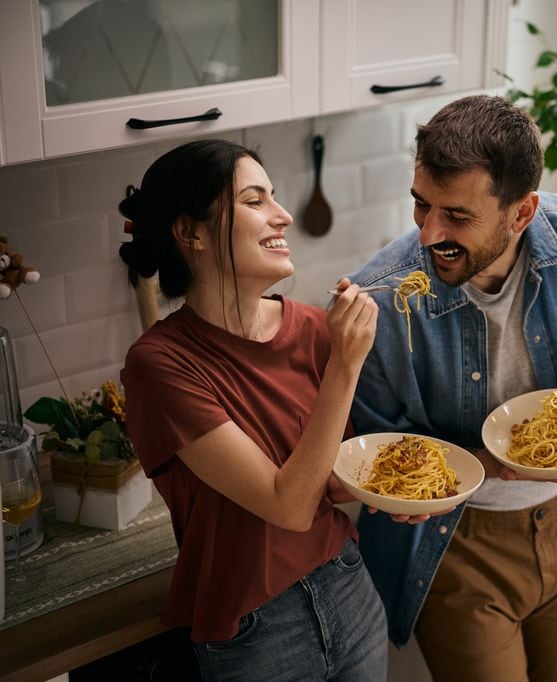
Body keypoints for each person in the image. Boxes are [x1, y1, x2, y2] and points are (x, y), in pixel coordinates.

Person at [347, 95, 557, 682]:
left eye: (457, 216)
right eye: (421, 205)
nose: (429, 233)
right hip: (457, 545)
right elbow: (376, 448)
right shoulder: (383, 298)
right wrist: (481, 466)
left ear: (522, 212)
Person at [119, 139, 390, 681]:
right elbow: (287, 505)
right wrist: (345, 364)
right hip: (257, 631)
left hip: (348, 586)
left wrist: (392, 490)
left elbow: (327, 478)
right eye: (254, 200)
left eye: (274, 196)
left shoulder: (313, 327)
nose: (282, 215)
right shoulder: (161, 364)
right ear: (191, 233)